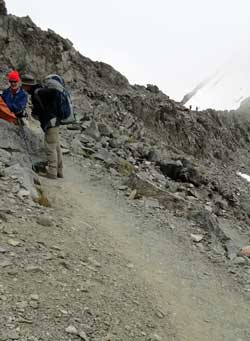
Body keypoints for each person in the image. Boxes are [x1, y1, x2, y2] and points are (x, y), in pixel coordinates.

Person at [22, 74, 63, 180]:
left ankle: (52, 172)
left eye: (23, 86)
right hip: (55, 120)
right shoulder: (39, 91)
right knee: (56, 146)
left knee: (50, 147)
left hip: (50, 121)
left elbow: (54, 93)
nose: (23, 88)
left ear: (27, 86)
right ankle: (59, 171)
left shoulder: (39, 92)